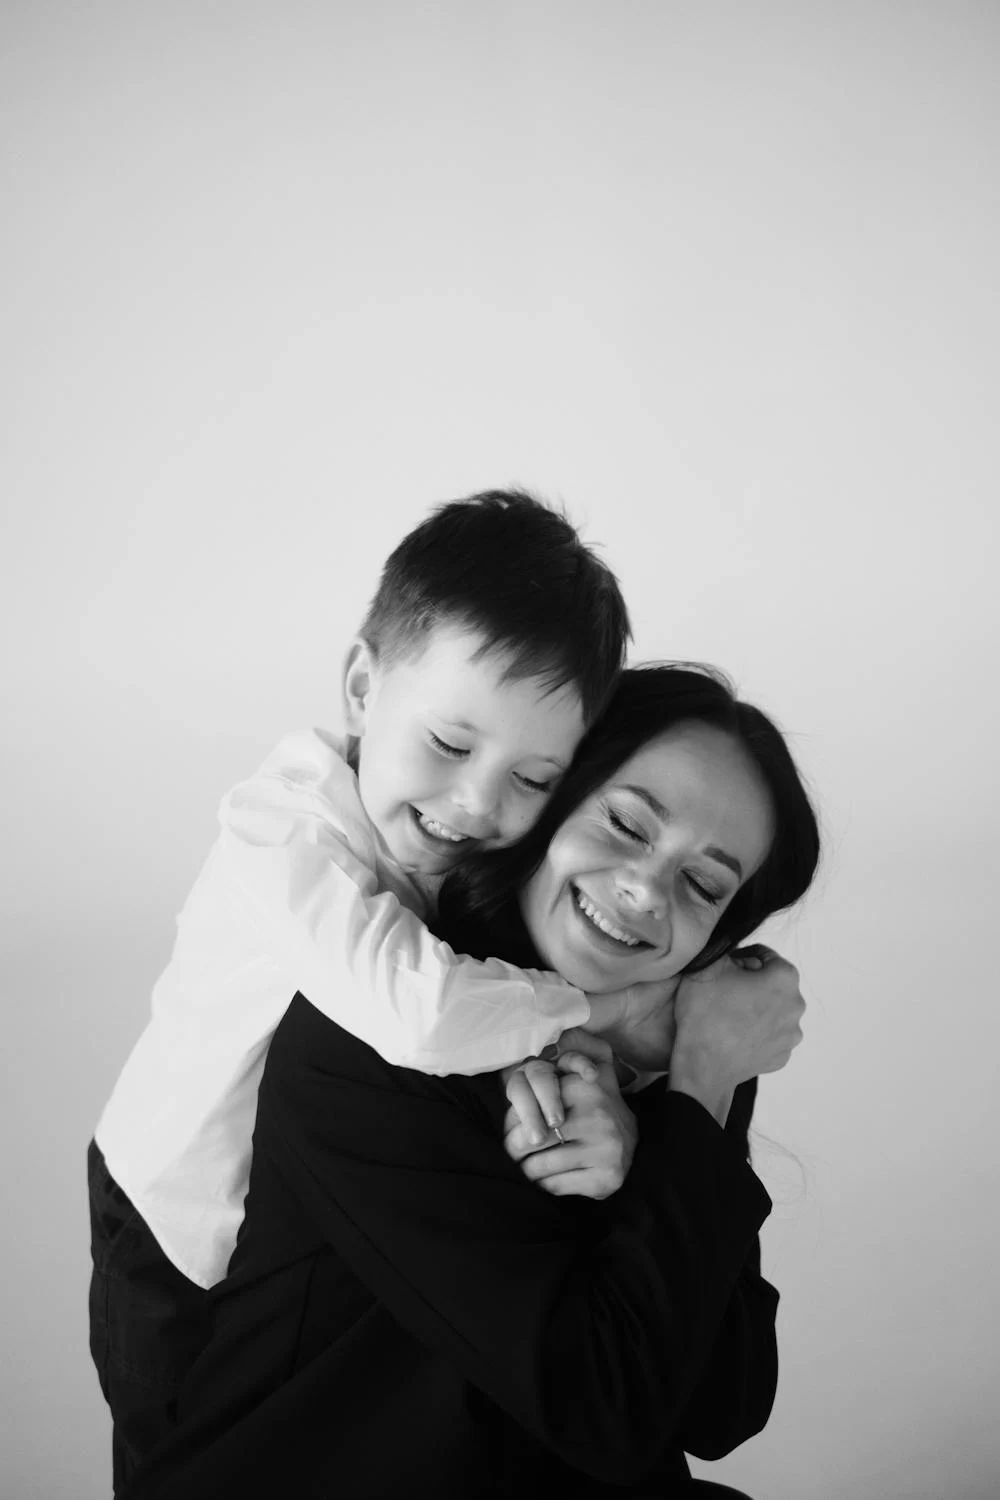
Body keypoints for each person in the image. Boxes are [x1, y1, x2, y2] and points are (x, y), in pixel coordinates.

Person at [119, 664, 820, 1499]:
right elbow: (610, 1407)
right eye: (627, 824)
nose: (644, 891)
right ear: (550, 800)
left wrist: (665, 1133)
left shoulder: (685, 1056)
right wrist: (696, 1091)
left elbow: (726, 1404)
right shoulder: (374, 1032)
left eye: (703, 884)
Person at [88, 488, 634, 1489]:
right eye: (452, 745)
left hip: (272, 1229)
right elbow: (419, 1013)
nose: (477, 804)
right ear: (359, 686)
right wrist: (594, 1008)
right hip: (164, 1223)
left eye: (532, 779)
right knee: (182, 1447)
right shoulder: (281, 835)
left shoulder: (425, 845)